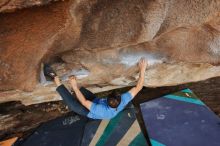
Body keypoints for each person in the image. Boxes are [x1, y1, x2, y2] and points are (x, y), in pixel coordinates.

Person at [44, 58, 147, 119]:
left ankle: (54, 77)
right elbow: (138, 87)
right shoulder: (123, 99)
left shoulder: (101, 110)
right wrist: (142, 69)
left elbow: (84, 102)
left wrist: (75, 87)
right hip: (96, 101)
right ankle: (73, 88)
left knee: (72, 102)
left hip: (87, 111)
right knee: (81, 91)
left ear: (107, 99)